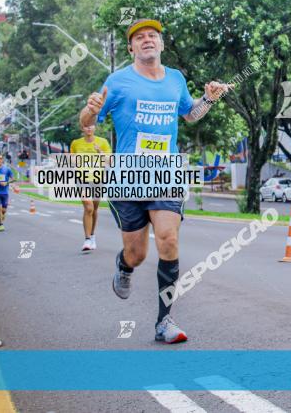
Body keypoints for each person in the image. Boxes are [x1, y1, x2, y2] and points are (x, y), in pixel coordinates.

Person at [79, 18, 230, 344]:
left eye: (153, 36)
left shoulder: (175, 79)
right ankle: (124, 265)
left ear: (160, 45)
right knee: (137, 254)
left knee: (168, 239)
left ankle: (165, 322)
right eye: (140, 37)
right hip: (128, 179)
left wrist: (209, 99)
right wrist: (89, 111)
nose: (147, 40)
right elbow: (87, 121)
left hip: (165, 174)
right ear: (132, 47)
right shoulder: (117, 82)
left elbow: (189, 114)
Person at [70, 124, 112, 251]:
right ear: (82, 128)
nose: (89, 128)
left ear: (95, 128)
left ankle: (92, 235)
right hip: (82, 178)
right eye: (86, 126)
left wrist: (100, 152)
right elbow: (72, 160)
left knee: (94, 209)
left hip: (98, 178)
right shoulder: (76, 143)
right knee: (88, 207)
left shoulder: (103, 142)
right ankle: (87, 239)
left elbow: (109, 161)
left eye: (91, 126)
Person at [0, 156, 14, 232]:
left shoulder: (7, 169)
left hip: (5, 193)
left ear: (2, 160)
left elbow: (13, 179)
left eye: (0, 159)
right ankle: (1, 224)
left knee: (3, 210)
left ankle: (2, 215)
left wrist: (6, 183)